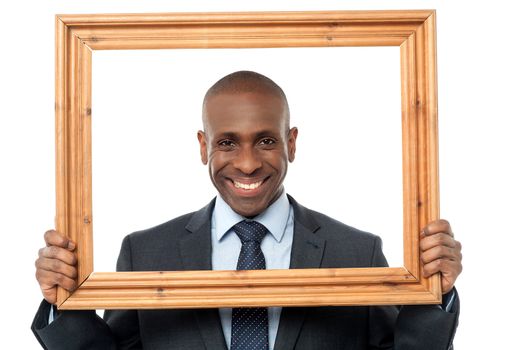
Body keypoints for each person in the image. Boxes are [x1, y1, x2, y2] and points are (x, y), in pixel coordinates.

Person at [32, 71, 462, 350]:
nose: (248, 163)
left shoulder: (357, 253)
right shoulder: (146, 253)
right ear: (204, 147)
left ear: (291, 142)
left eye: (266, 141)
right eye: (227, 142)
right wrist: (63, 306)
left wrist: (433, 294)